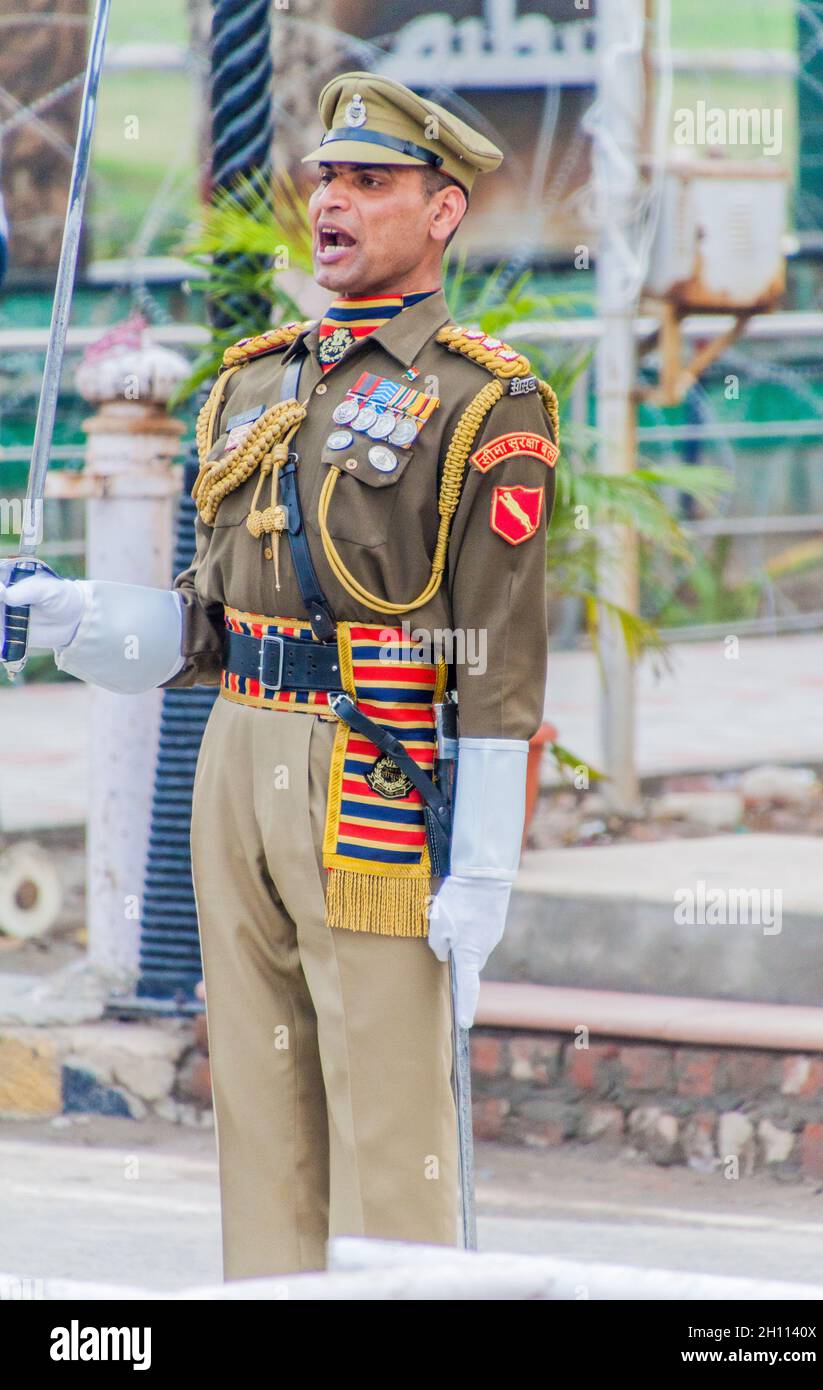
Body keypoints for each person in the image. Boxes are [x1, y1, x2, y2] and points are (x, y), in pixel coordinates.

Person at [0, 72, 559, 1280]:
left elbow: (500, 664)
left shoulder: (480, 401)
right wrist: (82, 617)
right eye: (325, 180)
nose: (333, 203)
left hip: (373, 767)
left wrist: (485, 870)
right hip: (237, 751)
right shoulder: (257, 381)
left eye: (371, 182)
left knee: (386, 1113)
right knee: (258, 1108)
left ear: (443, 212)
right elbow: (208, 624)